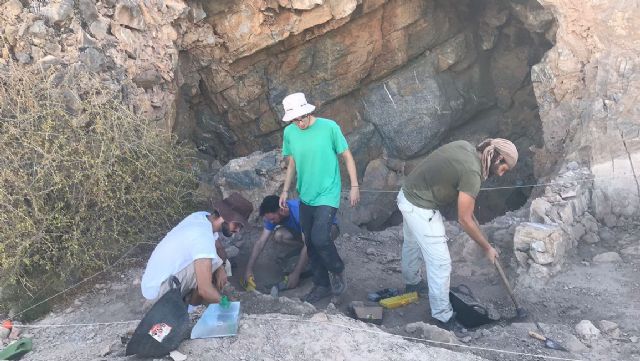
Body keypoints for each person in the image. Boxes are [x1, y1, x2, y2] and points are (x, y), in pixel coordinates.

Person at [398, 139, 518, 330]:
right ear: (498, 158)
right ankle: (443, 317)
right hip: (420, 207)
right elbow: (464, 219)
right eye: (505, 167)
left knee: (412, 243)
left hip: (407, 195)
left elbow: (464, 205)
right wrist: (487, 247)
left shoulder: (465, 147)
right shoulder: (472, 172)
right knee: (441, 263)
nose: (503, 173)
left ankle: (412, 284)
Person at [279, 92, 360, 303]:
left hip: (328, 192)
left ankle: (337, 269)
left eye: (301, 118)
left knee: (321, 238)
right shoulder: (290, 132)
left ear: (308, 111)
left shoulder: (329, 127)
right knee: (309, 242)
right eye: (294, 119)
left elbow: (347, 156)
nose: (299, 123)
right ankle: (321, 284)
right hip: (305, 194)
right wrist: (285, 190)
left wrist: (354, 186)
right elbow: (292, 163)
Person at [141, 193, 253, 306]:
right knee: (210, 267)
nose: (238, 230)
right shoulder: (202, 236)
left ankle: (190, 302)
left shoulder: (202, 217)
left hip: (155, 282)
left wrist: (221, 267)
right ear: (225, 216)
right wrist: (229, 306)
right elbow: (205, 290)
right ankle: (193, 310)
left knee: (215, 262)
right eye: (237, 224)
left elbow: (219, 249)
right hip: (159, 292)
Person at [244, 195, 339, 290]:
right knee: (279, 235)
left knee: (311, 242)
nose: (271, 222)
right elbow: (260, 242)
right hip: (306, 232)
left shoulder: (299, 210)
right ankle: (308, 254)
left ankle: (318, 259)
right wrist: (249, 269)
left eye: (273, 219)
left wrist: (296, 274)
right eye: (270, 220)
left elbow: (308, 243)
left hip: (328, 228)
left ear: (281, 210)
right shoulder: (271, 216)